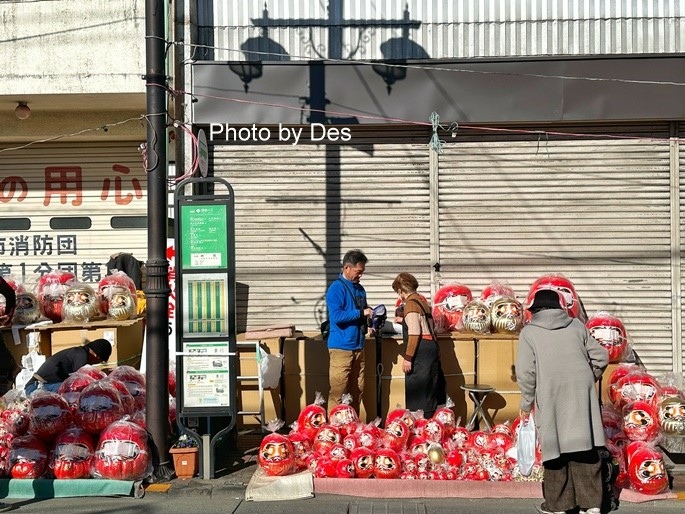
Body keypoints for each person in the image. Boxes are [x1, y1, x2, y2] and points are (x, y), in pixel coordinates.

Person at [515, 288, 609, 514]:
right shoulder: (576, 326)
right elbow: (602, 356)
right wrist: (589, 376)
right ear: (559, 307)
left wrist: (526, 404)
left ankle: (558, 505)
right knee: (584, 445)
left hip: (550, 393)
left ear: (535, 310)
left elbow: (526, 373)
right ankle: (592, 505)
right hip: (581, 393)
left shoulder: (530, 333)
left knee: (555, 449)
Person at [325, 249, 373, 415]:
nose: (360, 276)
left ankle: (353, 426)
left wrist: (370, 321)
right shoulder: (336, 289)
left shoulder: (360, 289)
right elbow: (336, 316)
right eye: (358, 272)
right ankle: (333, 428)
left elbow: (362, 312)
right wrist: (361, 313)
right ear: (347, 268)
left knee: (357, 389)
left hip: (358, 346)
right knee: (339, 391)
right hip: (341, 347)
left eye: (362, 273)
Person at [392, 272, 443, 419]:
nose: (399, 296)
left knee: (419, 390)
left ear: (401, 290)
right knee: (431, 389)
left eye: (398, 292)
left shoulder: (411, 305)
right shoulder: (422, 302)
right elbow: (425, 324)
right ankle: (432, 422)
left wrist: (408, 358)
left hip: (421, 351)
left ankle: (421, 425)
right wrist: (404, 321)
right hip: (431, 347)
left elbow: (414, 333)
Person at [24, 338, 113, 395]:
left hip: (45, 385)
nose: (94, 364)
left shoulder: (78, 353)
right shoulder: (81, 355)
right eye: (100, 361)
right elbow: (81, 382)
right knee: (79, 390)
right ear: (97, 355)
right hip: (35, 388)